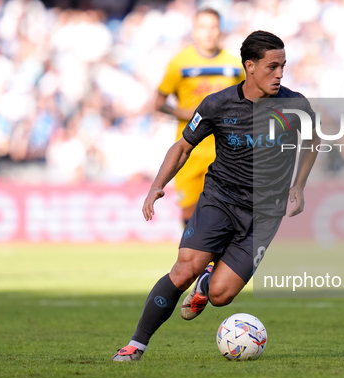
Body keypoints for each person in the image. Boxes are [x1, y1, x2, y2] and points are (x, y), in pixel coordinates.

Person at [113, 30, 320, 361]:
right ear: (250, 67)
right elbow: (182, 147)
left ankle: (208, 283)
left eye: (283, 66)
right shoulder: (218, 104)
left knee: (222, 296)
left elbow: (312, 140)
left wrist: (299, 185)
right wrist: (157, 185)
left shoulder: (295, 105)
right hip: (220, 200)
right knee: (184, 270)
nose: (280, 74)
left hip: (265, 214)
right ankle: (137, 343)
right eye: (272, 67)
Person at [156, 7, 245, 224]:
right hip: (190, 151)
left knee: (225, 214)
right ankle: (193, 257)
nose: (208, 32)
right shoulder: (180, 63)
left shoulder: (234, 65)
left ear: (220, 31)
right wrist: (183, 112)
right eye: (203, 27)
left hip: (225, 152)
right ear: (194, 31)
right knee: (190, 215)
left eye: (213, 27)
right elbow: (159, 102)